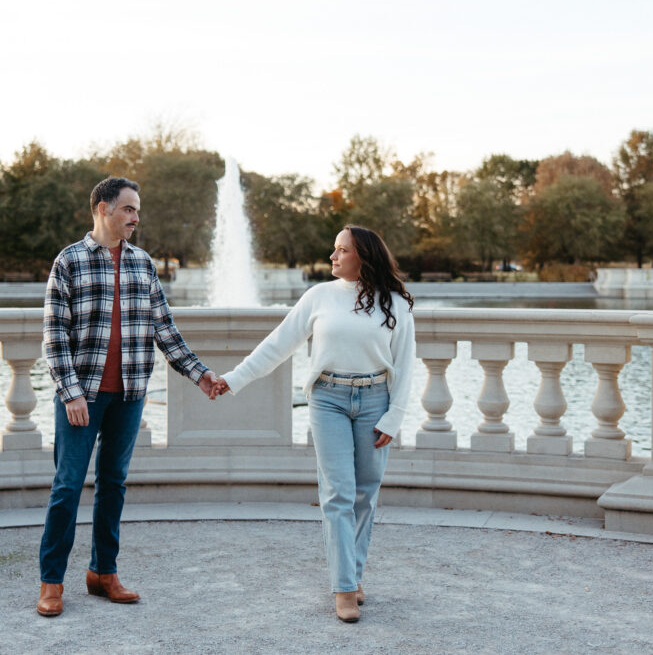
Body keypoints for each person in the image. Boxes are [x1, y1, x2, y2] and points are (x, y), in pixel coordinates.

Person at [213, 225, 415, 623]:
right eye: (334, 249)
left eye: (341, 250)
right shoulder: (319, 297)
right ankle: (343, 588)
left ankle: (353, 574)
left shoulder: (395, 304)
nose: (332, 256)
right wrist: (232, 379)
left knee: (365, 495)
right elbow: (277, 345)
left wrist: (394, 417)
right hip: (328, 400)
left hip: (375, 401)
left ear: (364, 257)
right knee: (338, 494)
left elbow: (405, 366)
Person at [38, 176, 221, 617]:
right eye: (128, 209)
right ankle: (51, 582)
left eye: (137, 210)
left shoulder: (142, 263)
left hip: (130, 393)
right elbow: (53, 337)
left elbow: (164, 328)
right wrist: (71, 393)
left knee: (114, 485)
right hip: (84, 395)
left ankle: (104, 572)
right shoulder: (70, 262)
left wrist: (199, 374)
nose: (136, 218)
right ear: (103, 209)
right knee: (66, 487)